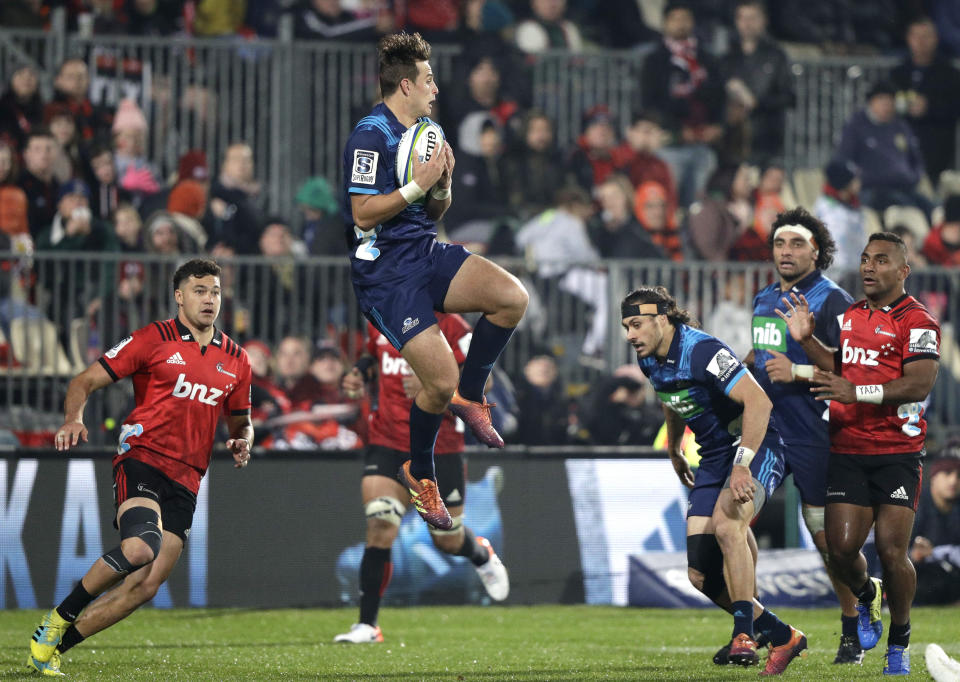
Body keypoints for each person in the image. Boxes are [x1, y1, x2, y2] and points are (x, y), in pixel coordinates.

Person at [27, 258, 253, 677]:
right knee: (139, 546)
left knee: (146, 586)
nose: (209, 299)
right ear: (179, 296)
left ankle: (55, 646)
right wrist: (74, 417)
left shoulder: (237, 359)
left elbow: (241, 420)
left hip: (189, 476)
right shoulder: (154, 338)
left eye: (216, 291)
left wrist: (244, 440)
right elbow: (83, 381)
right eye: (200, 290)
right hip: (143, 457)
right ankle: (57, 618)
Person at [341, 32, 528, 531]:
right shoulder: (370, 135)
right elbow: (362, 215)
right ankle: (419, 473)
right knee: (437, 383)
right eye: (428, 79)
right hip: (385, 274)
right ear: (405, 84)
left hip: (424, 251)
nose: (436, 88)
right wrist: (417, 184)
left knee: (512, 299)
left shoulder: (427, 130)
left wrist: (440, 187)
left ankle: (473, 395)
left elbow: (435, 207)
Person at [778, 232, 941, 676]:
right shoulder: (852, 315)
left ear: (903, 271)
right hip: (848, 447)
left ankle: (900, 640)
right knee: (843, 550)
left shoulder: (919, 322)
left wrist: (856, 391)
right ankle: (869, 598)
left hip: (897, 451)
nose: (869, 267)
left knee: (893, 552)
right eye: (866, 259)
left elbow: (919, 384)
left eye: (881, 260)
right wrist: (809, 341)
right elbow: (841, 368)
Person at [622, 285, 806, 676]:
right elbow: (672, 399)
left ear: (662, 319)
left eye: (637, 324)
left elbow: (759, 402)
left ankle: (743, 634)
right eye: (625, 327)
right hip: (713, 456)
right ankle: (780, 634)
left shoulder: (703, 350)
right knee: (700, 575)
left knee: (727, 526)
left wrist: (742, 464)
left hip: (756, 444)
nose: (630, 335)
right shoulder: (649, 359)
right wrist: (673, 448)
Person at [334, 314, 509, 643]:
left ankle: (481, 554)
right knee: (380, 524)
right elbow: (374, 352)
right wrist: (360, 373)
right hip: (387, 443)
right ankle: (368, 626)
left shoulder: (455, 326)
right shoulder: (382, 314)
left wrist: (437, 383)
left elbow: (485, 382)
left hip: (440, 448)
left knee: (448, 539)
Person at [743, 207, 861, 664]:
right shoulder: (764, 298)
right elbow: (761, 352)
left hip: (816, 434)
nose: (786, 251)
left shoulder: (832, 300)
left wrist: (799, 370)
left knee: (828, 542)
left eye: (796, 243)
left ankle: (852, 625)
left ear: (817, 250)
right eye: (779, 243)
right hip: (770, 432)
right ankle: (747, 627)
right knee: (734, 523)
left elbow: (853, 369)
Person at [910, 451, 960, 605]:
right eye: (947, 473)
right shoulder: (915, 506)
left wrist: (934, 553)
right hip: (920, 576)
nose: (953, 481)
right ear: (933, 477)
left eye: (958, 476)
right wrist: (914, 554)